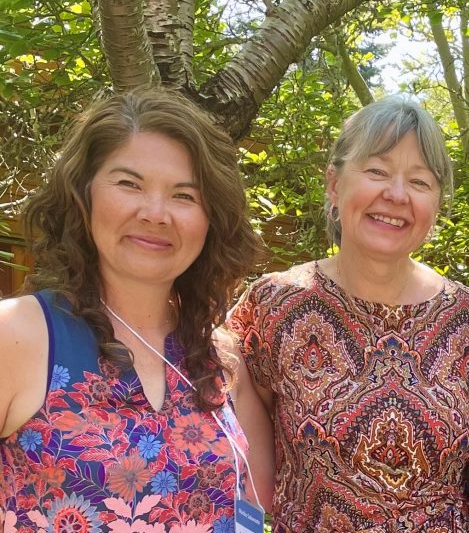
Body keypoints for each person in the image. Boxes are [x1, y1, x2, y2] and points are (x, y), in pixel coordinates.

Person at [0, 87, 273, 533]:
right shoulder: (15, 336)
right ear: (82, 195)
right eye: (129, 184)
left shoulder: (219, 356)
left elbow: (261, 500)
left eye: (184, 195)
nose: (156, 213)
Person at [229, 97, 469, 532]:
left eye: (419, 182)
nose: (396, 195)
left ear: (437, 202)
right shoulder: (274, 304)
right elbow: (244, 472)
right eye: (377, 172)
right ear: (333, 183)